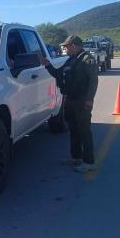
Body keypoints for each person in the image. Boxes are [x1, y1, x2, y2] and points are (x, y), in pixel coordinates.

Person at [42, 35, 99, 173]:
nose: (64, 49)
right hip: (71, 100)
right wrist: (48, 66)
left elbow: (93, 81)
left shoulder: (87, 60)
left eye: (66, 46)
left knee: (84, 130)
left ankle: (89, 162)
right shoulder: (71, 60)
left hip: (82, 100)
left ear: (73, 46)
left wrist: (89, 99)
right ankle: (76, 157)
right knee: (73, 129)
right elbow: (58, 74)